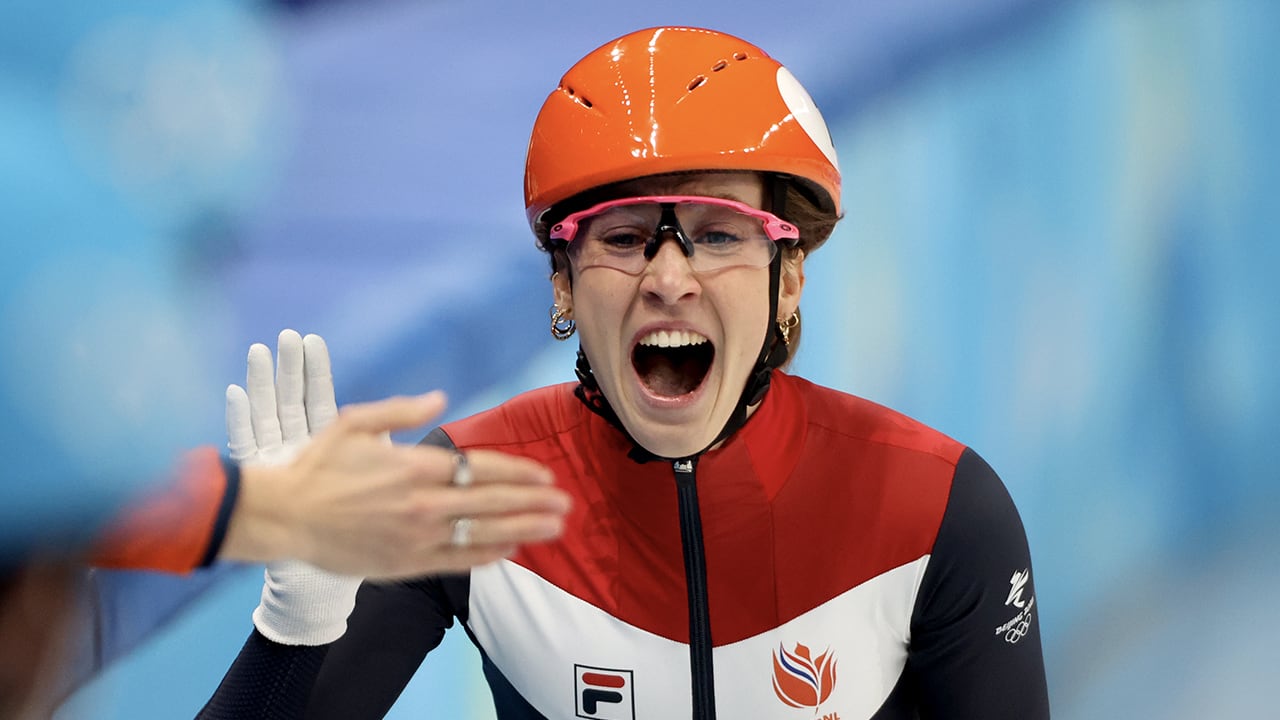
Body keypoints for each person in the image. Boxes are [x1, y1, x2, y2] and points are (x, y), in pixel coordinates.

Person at [200, 26, 1049, 719]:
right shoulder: (463, 499)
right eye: (621, 235)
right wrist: (299, 623)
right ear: (563, 282)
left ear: (788, 277)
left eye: (718, 233)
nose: (669, 278)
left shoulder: (935, 510)